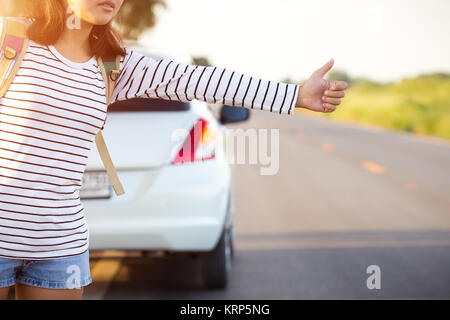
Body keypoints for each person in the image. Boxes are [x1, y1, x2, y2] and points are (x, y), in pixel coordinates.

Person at [0, 0, 348, 300]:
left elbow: (200, 80)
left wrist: (295, 96)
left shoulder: (114, 65)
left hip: (60, 243)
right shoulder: (11, 41)